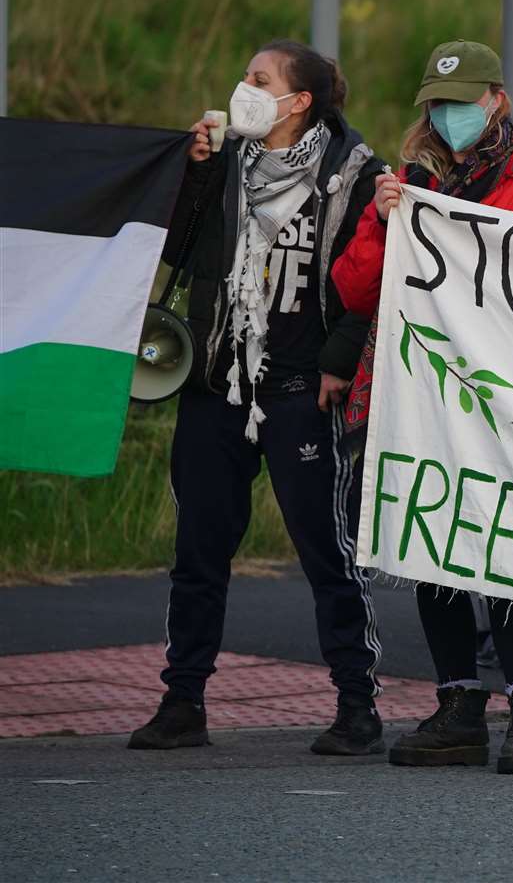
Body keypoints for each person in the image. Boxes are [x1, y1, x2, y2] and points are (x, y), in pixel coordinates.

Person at [331, 40, 513, 775]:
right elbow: (353, 289)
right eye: (437, 105)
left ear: (497, 101)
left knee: (504, 551)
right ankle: (459, 704)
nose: (449, 117)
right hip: (423, 397)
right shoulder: (408, 186)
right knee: (433, 548)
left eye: (462, 102)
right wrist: (383, 220)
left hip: (505, 398)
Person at [128, 40, 387, 756]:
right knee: (198, 549)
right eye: (244, 75)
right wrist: (192, 175)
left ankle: (356, 703)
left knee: (325, 551)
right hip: (218, 385)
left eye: (258, 79)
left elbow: (374, 277)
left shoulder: (357, 173)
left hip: (305, 389)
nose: (243, 87)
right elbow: (174, 250)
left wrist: (339, 361)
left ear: (299, 102)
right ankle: (183, 700)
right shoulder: (226, 162)